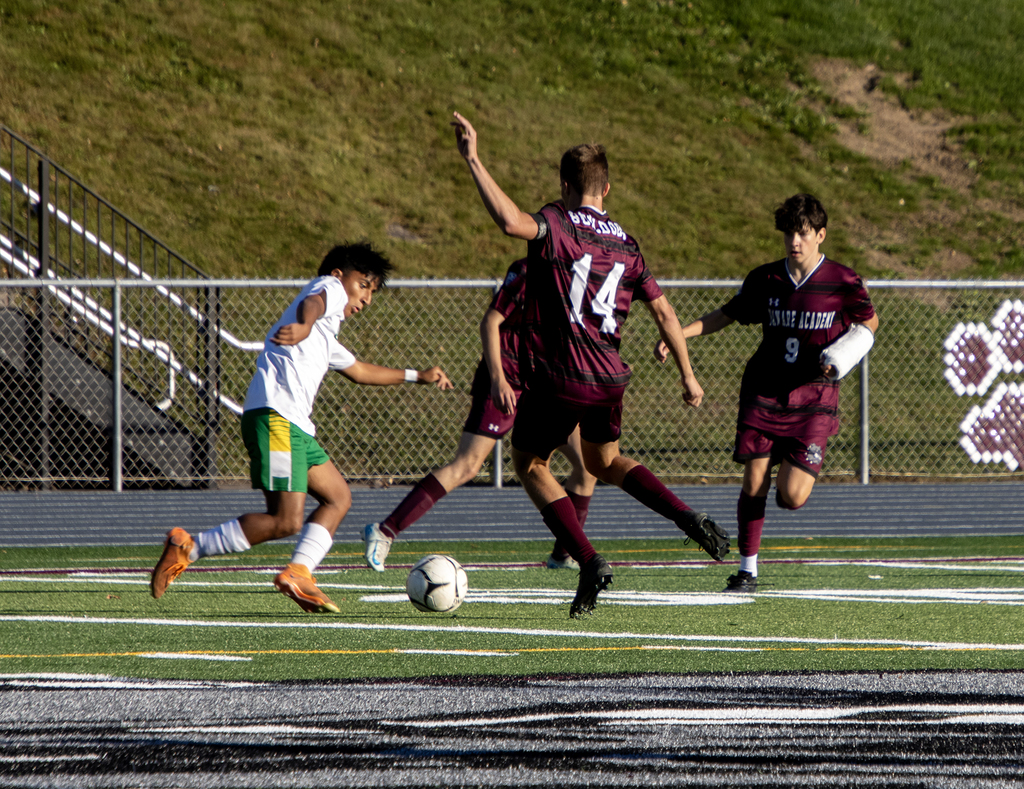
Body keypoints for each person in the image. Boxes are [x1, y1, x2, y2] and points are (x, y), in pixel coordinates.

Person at [451, 111, 729, 618]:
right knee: (603, 462)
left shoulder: (556, 221)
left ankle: (587, 560)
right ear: (608, 189)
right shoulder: (627, 242)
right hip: (609, 378)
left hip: (561, 374)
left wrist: (473, 159)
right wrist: (688, 373)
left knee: (530, 462)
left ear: (563, 185)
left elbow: (512, 222)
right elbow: (664, 311)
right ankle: (685, 516)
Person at [150, 243, 453, 613]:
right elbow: (318, 301)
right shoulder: (325, 291)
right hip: (278, 419)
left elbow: (359, 371)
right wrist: (305, 323)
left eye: (373, 292)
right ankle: (189, 547)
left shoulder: (326, 333)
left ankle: (299, 571)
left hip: (294, 427)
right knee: (285, 519)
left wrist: (416, 376)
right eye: (365, 286)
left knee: (338, 497)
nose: (367, 299)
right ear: (341, 276)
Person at [673, 193, 878, 593]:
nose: (794, 242)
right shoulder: (765, 279)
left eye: (802, 233)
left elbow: (869, 322)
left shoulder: (843, 280)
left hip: (814, 399)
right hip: (764, 391)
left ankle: (788, 466)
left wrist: (845, 352)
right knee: (753, 481)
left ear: (821, 235)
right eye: (788, 234)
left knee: (791, 497)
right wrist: (677, 334)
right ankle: (747, 570)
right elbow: (726, 315)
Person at [362, 257, 597, 572]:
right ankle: (385, 530)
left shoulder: (585, 275)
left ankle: (563, 554)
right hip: (507, 378)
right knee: (467, 465)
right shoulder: (532, 271)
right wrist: (499, 378)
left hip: (545, 384)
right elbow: (491, 322)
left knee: (587, 465)